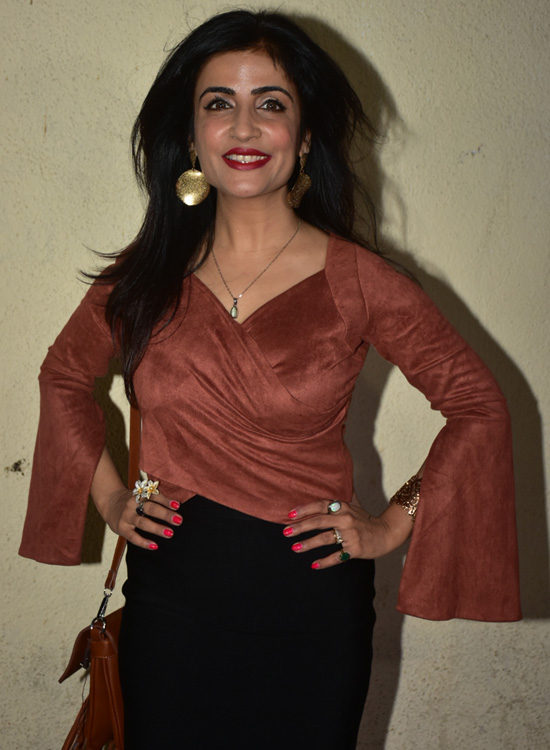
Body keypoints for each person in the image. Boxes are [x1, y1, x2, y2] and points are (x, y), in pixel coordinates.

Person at [19, 9, 521, 749]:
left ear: (306, 135)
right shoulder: (143, 278)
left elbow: (478, 407)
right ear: (192, 135)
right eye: (219, 103)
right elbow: (64, 377)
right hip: (171, 605)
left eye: (272, 104)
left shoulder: (360, 281)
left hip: (312, 612)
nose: (245, 126)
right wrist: (110, 497)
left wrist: (392, 522)